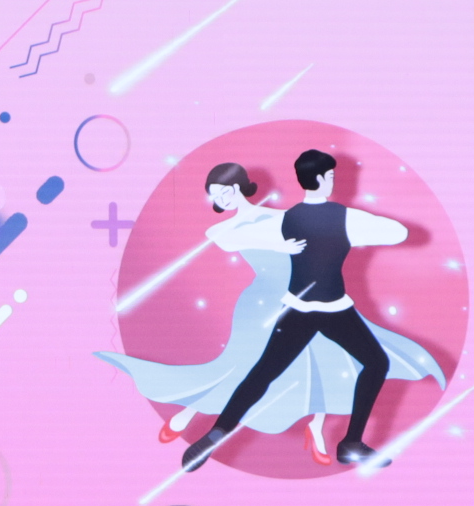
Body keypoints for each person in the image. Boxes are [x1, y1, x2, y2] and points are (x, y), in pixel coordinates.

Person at [173, 149, 427, 471]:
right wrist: (352, 230)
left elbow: (228, 238)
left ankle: (218, 432)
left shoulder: (287, 218)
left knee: (263, 373)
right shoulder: (346, 217)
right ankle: (351, 443)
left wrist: (277, 243)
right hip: (335, 311)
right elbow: (398, 232)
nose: (332, 180)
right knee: (376, 363)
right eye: (330, 176)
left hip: (297, 310)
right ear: (320, 179)